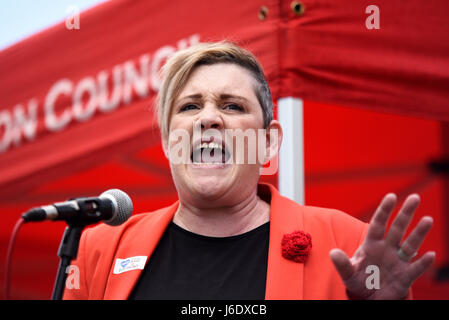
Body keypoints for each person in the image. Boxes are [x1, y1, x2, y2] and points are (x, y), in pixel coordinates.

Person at [63, 41, 435, 300]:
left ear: (269, 142)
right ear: (166, 140)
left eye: (232, 106)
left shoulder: (347, 242)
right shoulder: (100, 249)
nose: (208, 117)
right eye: (190, 107)